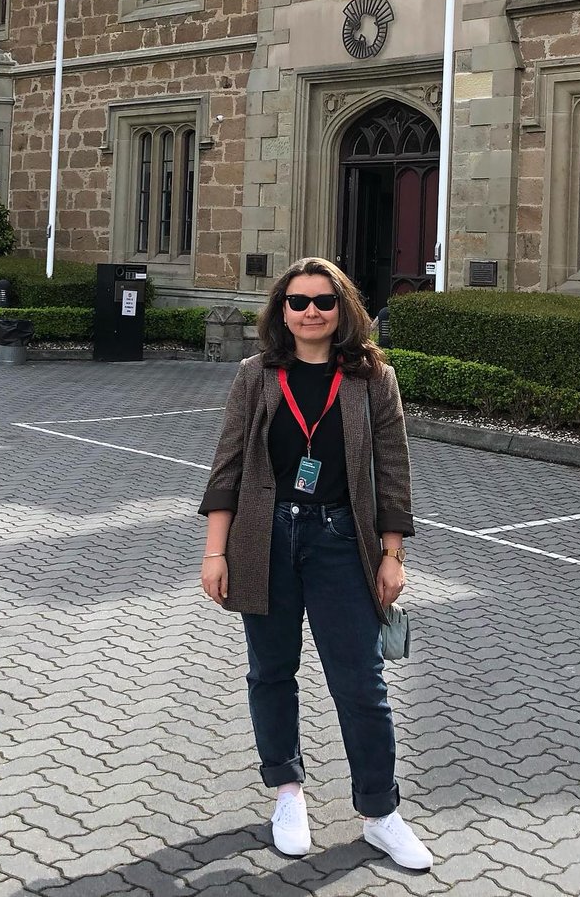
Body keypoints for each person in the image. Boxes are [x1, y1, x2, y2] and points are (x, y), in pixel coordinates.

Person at [198, 257, 432, 871]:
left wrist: (392, 555)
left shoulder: (373, 379)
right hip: (264, 538)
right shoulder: (257, 376)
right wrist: (215, 551)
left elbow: (394, 473)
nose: (310, 312)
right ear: (281, 311)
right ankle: (288, 792)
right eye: (297, 301)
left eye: (323, 301)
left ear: (342, 309)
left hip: (338, 542)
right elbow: (226, 470)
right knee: (271, 672)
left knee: (360, 682)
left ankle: (380, 812)